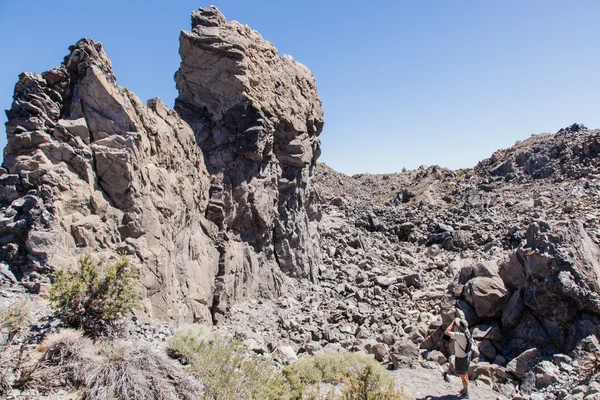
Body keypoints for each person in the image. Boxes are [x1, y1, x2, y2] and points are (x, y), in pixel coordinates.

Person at [444, 318, 471, 398]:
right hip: (465, 356)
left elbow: (446, 332)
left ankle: (466, 394)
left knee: (462, 375)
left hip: (461, 358)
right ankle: (465, 389)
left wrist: (452, 323)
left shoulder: (460, 335)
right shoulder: (466, 332)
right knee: (465, 374)